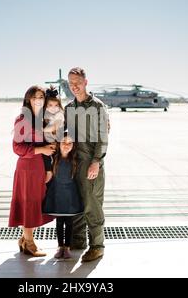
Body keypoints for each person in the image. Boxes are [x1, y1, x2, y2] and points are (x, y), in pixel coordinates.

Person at [64, 67, 109, 262]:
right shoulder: (69, 108)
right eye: (71, 83)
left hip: (92, 163)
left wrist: (96, 162)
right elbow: (63, 131)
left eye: (78, 82)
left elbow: (103, 138)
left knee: (92, 205)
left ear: (86, 82)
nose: (74, 86)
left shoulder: (98, 106)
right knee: (77, 204)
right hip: (74, 164)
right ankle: (79, 240)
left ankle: (97, 246)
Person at [9, 85, 56, 257]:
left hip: (39, 167)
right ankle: (29, 243)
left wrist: (49, 167)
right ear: (28, 99)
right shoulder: (23, 119)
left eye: (41, 97)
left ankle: (24, 238)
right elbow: (17, 148)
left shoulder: (41, 119)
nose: (39, 100)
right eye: (35, 97)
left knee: (35, 203)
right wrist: (41, 150)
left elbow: (46, 145)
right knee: (28, 203)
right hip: (27, 167)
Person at [42, 134, 84, 259]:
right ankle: (60, 246)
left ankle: (67, 247)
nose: (66, 145)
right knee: (60, 221)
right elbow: (45, 157)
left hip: (70, 195)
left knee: (69, 222)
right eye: (64, 142)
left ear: (73, 146)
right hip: (57, 193)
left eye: (70, 143)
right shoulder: (53, 158)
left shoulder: (75, 159)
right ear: (58, 143)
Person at [43, 85, 65, 183]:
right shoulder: (45, 114)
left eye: (56, 105)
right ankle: (48, 171)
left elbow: (53, 127)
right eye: (50, 105)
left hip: (57, 141)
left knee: (54, 158)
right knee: (46, 155)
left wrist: (42, 130)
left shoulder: (59, 115)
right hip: (47, 142)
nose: (53, 108)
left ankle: (50, 172)